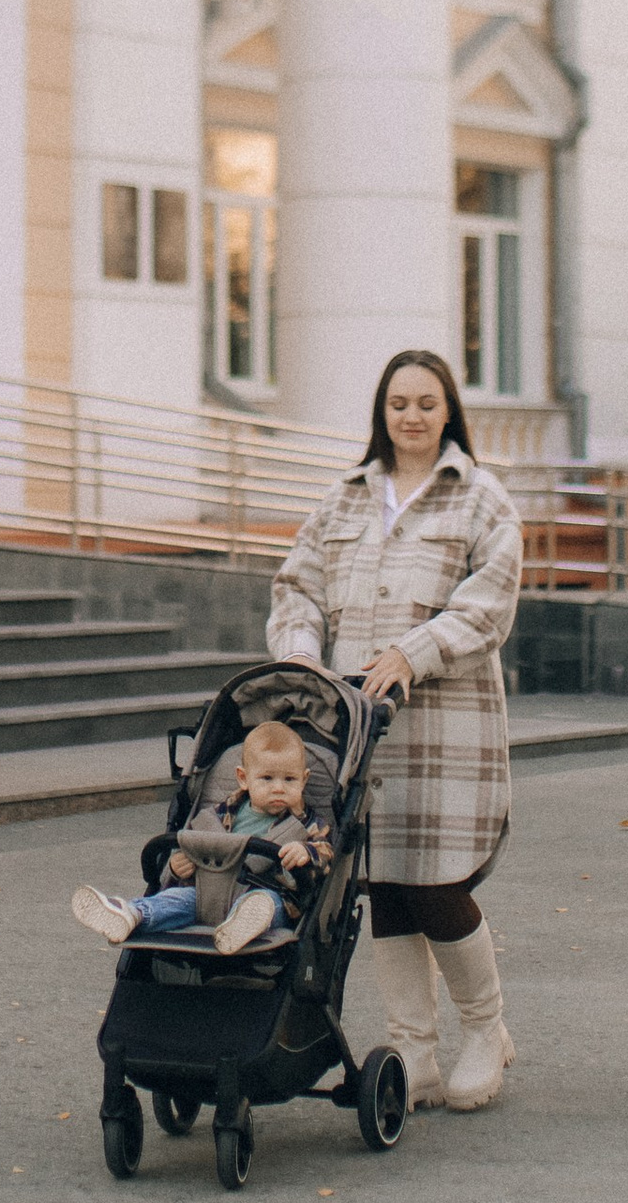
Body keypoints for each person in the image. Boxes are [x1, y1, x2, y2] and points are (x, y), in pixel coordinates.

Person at [267, 349, 522, 1109]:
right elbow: (297, 588)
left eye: (426, 402)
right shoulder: (344, 500)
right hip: (354, 733)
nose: (411, 416)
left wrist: (416, 651)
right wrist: (302, 659)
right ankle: (415, 1050)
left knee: (438, 885)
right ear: (382, 413)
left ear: (449, 413)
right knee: (380, 886)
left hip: (445, 727)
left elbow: (491, 603)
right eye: (398, 403)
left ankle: (486, 1030)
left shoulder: (481, 500)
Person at [71, 720, 332, 956]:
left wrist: (306, 852)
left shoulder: (307, 825)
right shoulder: (219, 815)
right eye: (266, 778)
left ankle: (240, 925)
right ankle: (131, 913)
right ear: (243, 779)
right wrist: (177, 866)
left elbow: (326, 853)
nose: (278, 788)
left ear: (304, 780)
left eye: (289, 779)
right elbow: (193, 845)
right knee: (174, 901)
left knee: (264, 904)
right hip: (205, 894)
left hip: (266, 894)